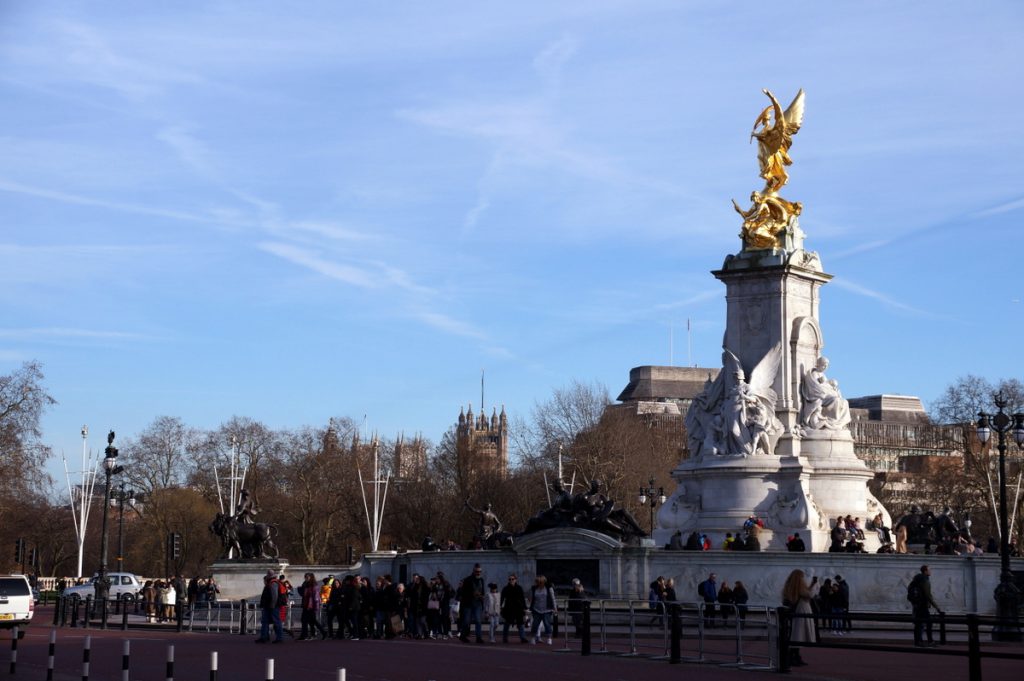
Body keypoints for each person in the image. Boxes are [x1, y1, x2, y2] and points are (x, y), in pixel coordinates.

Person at [781, 570, 815, 667]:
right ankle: (794, 657)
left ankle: (794, 656)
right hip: (799, 611)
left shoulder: (790, 586)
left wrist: (811, 584)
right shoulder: (799, 586)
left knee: (795, 635)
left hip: (791, 612)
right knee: (797, 635)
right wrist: (814, 586)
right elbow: (809, 595)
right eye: (802, 577)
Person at [909, 565, 943, 647]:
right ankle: (928, 641)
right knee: (927, 623)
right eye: (929, 570)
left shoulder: (916, 579)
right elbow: (928, 595)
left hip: (917, 604)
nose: (930, 571)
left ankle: (918, 641)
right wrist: (937, 607)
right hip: (923, 604)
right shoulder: (925, 580)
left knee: (919, 623)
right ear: (925, 571)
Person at [458, 564, 486, 643]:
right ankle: (463, 636)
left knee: (478, 621)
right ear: (473, 571)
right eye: (477, 571)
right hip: (468, 603)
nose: (479, 573)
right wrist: (472, 594)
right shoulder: (467, 580)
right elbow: (463, 592)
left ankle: (478, 638)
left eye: (480, 571)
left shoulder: (481, 580)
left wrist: (482, 596)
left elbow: (483, 591)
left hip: (478, 603)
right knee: (466, 621)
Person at [256, 570, 285, 644]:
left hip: (272, 606)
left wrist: (272, 605)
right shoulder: (272, 582)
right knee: (265, 621)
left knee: (275, 621)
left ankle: (279, 637)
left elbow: (274, 595)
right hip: (269, 605)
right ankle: (264, 637)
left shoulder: (273, 583)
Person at [298, 573, 327, 640]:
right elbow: (303, 594)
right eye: (305, 577)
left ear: (311, 578)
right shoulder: (305, 584)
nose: (306, 578)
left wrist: (316, 607)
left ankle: (305, 635)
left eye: (307, 577)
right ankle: (321, 632)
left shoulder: (313, 585)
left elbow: (315, 597)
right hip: (306, 604)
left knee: (307, 620)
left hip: (310, 605)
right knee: (311, 621)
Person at [500, 573, 528, 643]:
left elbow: (522, 598)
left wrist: (525, 607)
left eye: (512, 579)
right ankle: (505, 638)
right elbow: (502, 598)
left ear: (516, 580)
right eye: (510, 579)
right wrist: (500, 607)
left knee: (520, 623)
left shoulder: (519, 588)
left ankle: (523, 638)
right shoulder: (505, 588)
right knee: (507, 624)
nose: (511, 580)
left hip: (518, 608)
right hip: (509, 608)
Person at [529, 575, 556, 645]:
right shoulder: (534, 588)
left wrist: (555, 608)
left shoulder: (549, 588)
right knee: (535, 624)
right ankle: (533, 638)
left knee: (547, 624)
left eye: (540, 582)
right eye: (537, 582)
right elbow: (531, 597)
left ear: (544, 582)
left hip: (547, 610)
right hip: (536, 609)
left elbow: (553, 598)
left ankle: (549, 638)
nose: (539, 584)